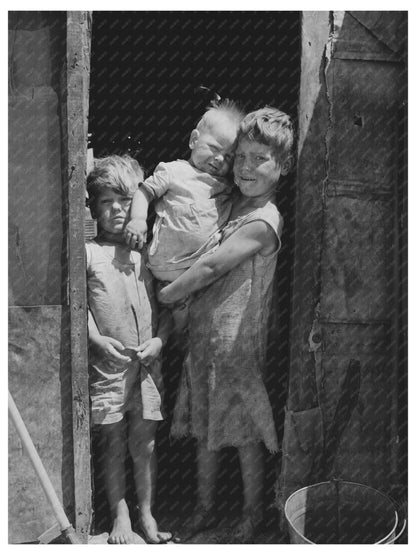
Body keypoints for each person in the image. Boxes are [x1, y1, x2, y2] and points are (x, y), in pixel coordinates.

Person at [157, 107, 294, 542]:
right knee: (205, 429)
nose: (247, 167)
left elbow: (213, 265)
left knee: (246, 433)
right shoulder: (231, 203)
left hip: (237, 344)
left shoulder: (264, 220)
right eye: (242, 157)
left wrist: (167, 293)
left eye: (260, 159)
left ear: (283, 167)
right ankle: (203, 508)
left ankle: (253, 513)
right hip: (203, 340)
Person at [86, 155, 172, 544]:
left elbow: (168, 309)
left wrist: (160, 341)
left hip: (148, 366)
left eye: (124, 200)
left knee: (146, 444)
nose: (117, 209)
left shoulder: (147, 255)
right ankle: (120, 515)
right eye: (106, 201)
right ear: (92, 207)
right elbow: (78, 307)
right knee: (113, 442)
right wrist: (95, 339)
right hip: (109, 367)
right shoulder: (88, 254)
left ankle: (147, 514)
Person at [123, 100, 245, 332]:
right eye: (214, 148)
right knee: (156, 325)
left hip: (201, 277)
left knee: (191, 332)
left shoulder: (227, 186)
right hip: (163, 268)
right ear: (193, 140)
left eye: (229, 157)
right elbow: (144, 192)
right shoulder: (173, 171)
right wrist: (138, 220)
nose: (220, 159)